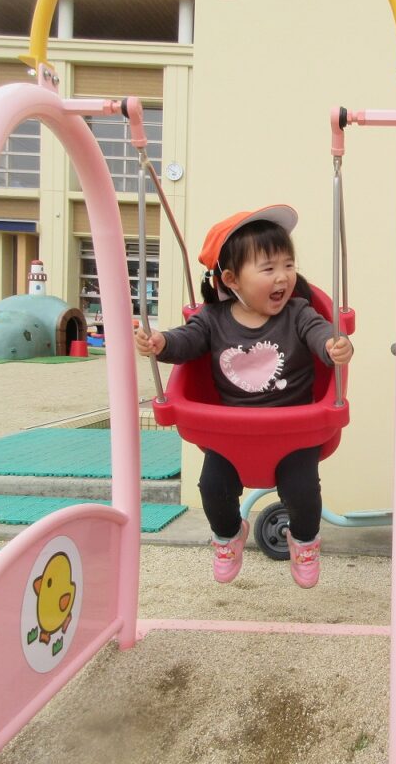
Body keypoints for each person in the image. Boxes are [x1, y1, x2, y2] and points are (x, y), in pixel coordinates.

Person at [135, 205, 353, 588]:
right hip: (232, 435)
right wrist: (161, 343)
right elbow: (186, 342)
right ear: (232, 279)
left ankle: (304, 542)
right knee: (212, 487)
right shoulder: (213, 319)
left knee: (303, 491)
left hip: (293, 432)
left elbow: (319, 331)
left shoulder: (298, 312)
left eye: (288, 265)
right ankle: (228, 536)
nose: (283, 276)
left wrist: (333, 345)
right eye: (268, 268)